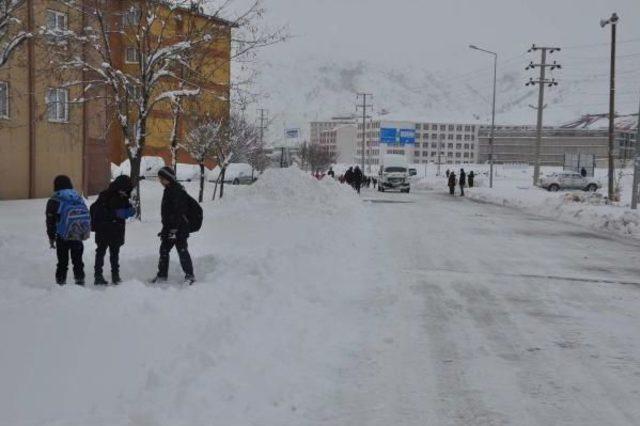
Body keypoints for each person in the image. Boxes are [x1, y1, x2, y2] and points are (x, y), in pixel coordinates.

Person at [151, 167, 195, 285]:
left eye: (162, 178)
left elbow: (178, 212)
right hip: (172, 228)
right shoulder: (169, 189)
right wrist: (165, 229)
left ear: (168, 178)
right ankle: (162, 275)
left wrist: (173, 230)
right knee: (165, 250)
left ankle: (190, 276)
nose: (160, 181)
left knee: (181, 250)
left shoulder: (176, 191)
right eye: (160, 178)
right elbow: (168, 213)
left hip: (178, 228)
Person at [90, 175, 135, 285]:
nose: (126, 193)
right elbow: (100, 212)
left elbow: (129, 209)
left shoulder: (122, 197)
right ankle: (99, 276)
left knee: (112, 253)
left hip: (114, 231)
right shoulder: (106, 196)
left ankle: (113, 275)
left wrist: (129, 211)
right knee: (102, 252)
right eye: (125, 190)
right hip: (106, 230)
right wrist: (116, 214)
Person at [46, 175, 88, 286]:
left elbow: (50, 221)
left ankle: (61, 283)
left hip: (62, 235)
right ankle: (80, 281)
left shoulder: (54, 199)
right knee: (78, 260)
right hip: (77, 233)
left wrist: (51, 237)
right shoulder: (77, 197)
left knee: (62, 262)